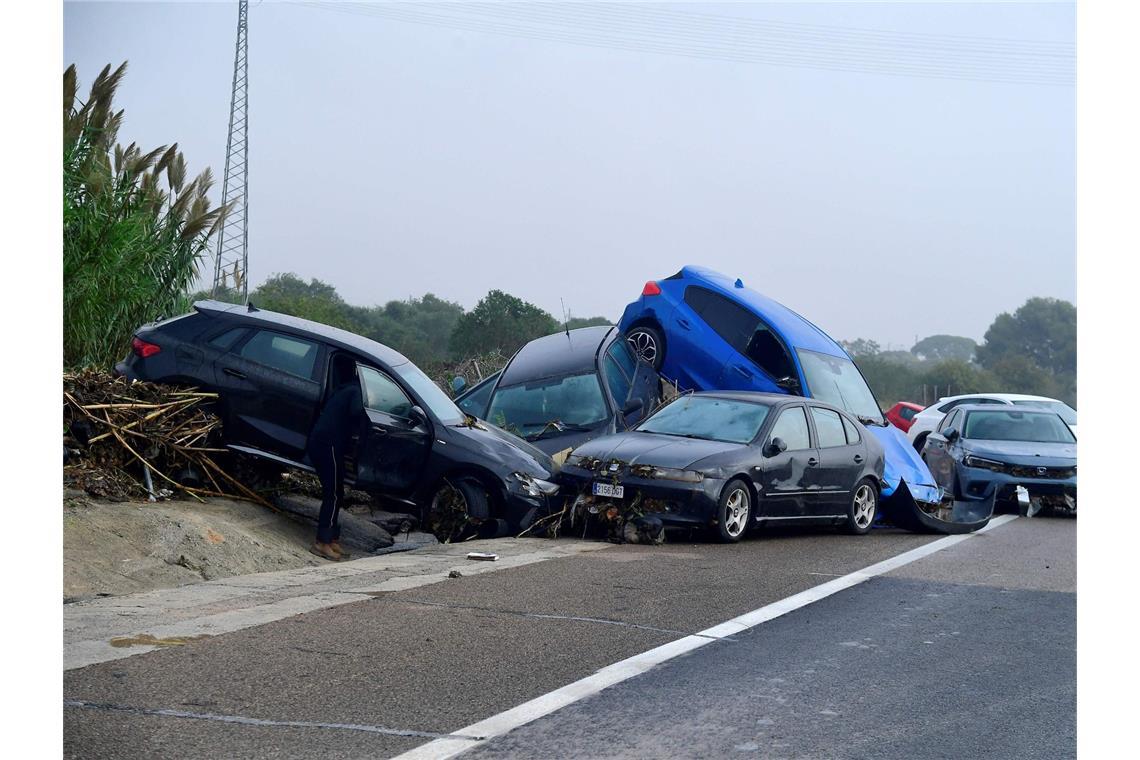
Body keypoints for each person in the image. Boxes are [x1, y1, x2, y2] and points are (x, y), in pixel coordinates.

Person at [306, 358, 365, 561]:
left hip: (327, 443)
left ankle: (332, 539)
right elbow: (358, 413)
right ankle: (322, 542)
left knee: (338, 491)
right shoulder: (356, 392)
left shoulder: (345, 388)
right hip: (327, 444)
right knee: (332, 493)